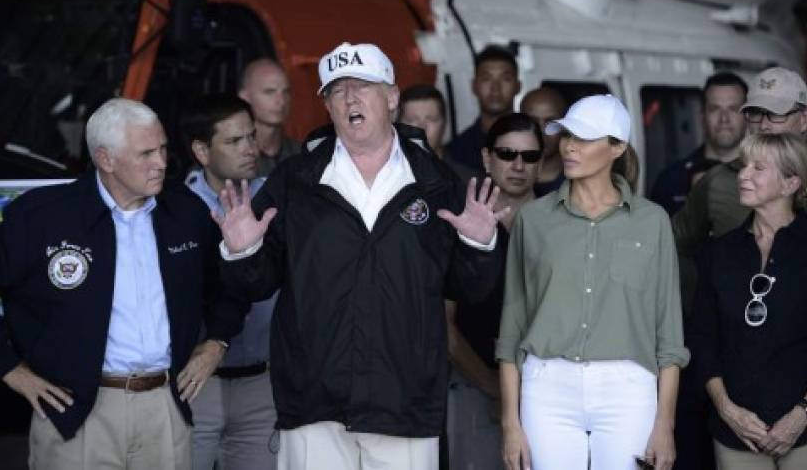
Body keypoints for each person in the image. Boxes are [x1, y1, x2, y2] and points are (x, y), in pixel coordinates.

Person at [214, 42, 504, 470]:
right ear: (327, 107)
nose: (349, 97)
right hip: (315, 403)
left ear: (391, 98)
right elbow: (255, 284)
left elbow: (470, 289)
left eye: (362, 86)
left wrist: (479, 245)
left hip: (405, 403)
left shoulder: (436, 182)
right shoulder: (295, 181)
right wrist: (242, 251)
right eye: (336, 90)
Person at [0, 98, 245, 469]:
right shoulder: (40, 216)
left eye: (162, 149)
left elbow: (229, 287)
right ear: (105, 159)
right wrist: (9, 369)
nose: (161, 162)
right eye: (146, 153)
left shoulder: (186, 212)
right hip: (76, 411)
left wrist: (217, 343)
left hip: (164, 404)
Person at [497, 94, 688, 470]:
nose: (568, 146)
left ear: (617, 147)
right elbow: (512, 327)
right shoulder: (534, 220)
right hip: (546, 385)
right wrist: (510, 423)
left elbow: (669, 332)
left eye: (583, 139)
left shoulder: (652, 222)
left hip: (628, 388)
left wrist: (665, 424)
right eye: (566, 135)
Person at [688, 133, 807, 469]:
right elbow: (702, 339)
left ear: (791, 183)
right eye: (744, 166)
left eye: (758, 168)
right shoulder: (718, 252)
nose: (743, 174)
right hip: (735, 429)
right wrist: (727, 409)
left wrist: (803, 414)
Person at [673, 66, 807, 309]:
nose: (764, 125)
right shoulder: (718, 181)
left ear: (804, 119)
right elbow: (675, 245)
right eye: (755, 113)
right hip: (740, 331)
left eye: (776, 114)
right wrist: (701, 298)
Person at [181, 94, 277, 470]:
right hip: (195, 383)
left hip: (262, 384)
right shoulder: (176, 210)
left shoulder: (276, 199)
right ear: (202, 151)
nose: (250, 149)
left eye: (251, 137)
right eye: (235, 141)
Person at [445, 113, 543, 470]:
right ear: (487, 158)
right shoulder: (461, 224)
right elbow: (444, 324)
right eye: (506, 154)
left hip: (548, 394)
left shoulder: (562, 223)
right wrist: (493, 386)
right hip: (473, 387)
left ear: (541, 163)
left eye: (530, 156)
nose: (518, 165)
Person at [651, 72, 749, 216]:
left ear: (747, 116)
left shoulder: (764, 178)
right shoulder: (671, 181)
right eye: (715, 109)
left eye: (733, 109)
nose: (724, 119)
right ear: (702, 116)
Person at [446, 45, 521, 173]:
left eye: (505, 79)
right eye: (486, 79)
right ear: (474, 86)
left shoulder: (535, 144)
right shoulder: (456, 150)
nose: (495, 88)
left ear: (518, 86)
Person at [398, 83, 477, 183]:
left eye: (431, 119)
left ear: (444, 124)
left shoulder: (468, 182)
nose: (422, 128)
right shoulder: (382, 178)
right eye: (412, 120)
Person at [239, 58, 298, 176]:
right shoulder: (231, 160)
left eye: (285, 92)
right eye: (269, 92)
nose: (281, 101)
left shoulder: (301, 154)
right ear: (245, 97)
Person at [519, 86, 567, 197]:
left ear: (564, 126)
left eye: (550, 122)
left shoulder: (581, 181)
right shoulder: (504, 179)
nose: (541, 131)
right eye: (533, 122)